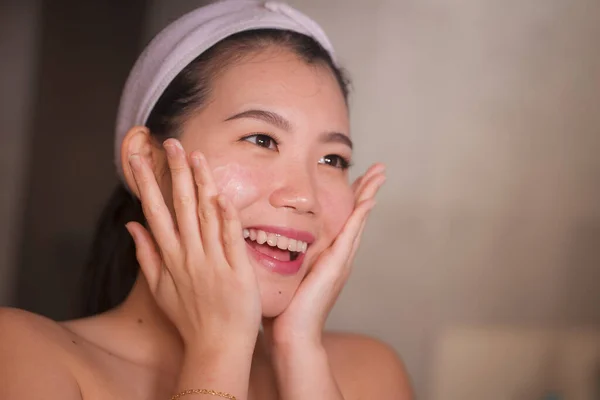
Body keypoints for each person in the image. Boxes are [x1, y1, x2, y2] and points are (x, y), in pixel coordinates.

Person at [0, 1, 413, 399]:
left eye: (332, 159)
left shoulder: (366, 375)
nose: (304, 196)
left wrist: (299, 354)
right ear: (146, 161)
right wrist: (220, 349)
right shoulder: (22, 355)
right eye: (261, 139)